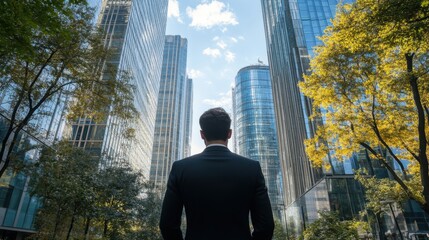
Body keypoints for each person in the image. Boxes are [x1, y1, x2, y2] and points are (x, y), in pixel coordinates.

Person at [159, 107, 274, 240]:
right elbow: (266, 226)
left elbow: (167, 225)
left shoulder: (180, 168)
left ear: (202, 134)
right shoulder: (252, 168)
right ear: (229, 133)